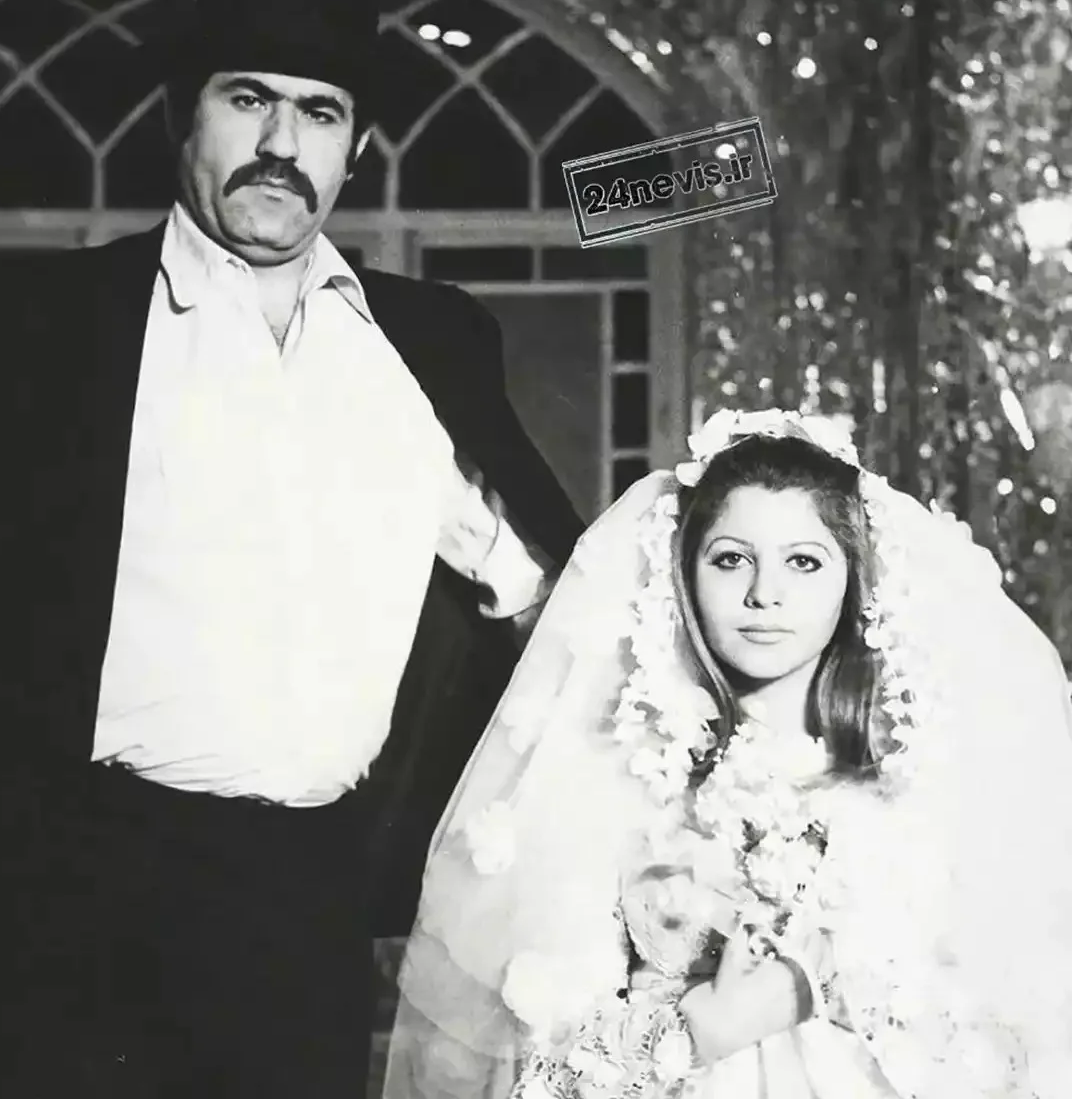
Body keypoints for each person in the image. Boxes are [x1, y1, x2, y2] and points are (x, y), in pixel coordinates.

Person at [0, 0, 584, 1099]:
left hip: (306, 909)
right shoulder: (23, 324)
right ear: (182, 116)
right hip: (63, 909)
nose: (280, 145)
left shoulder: (433, 342)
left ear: (356, 147)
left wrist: (485, 543)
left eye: (319, 111)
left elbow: (555, 605)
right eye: (247, 98)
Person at [384, 408, 1072, 1099]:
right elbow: (531, 1075)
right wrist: (701, 1032)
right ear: (684, 573)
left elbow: (1012, 1047)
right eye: (731, 559)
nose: (764, 594)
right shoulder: (619, 781)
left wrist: (862, 989)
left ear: (852, 579)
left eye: (804, 562)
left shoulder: (913, 786)